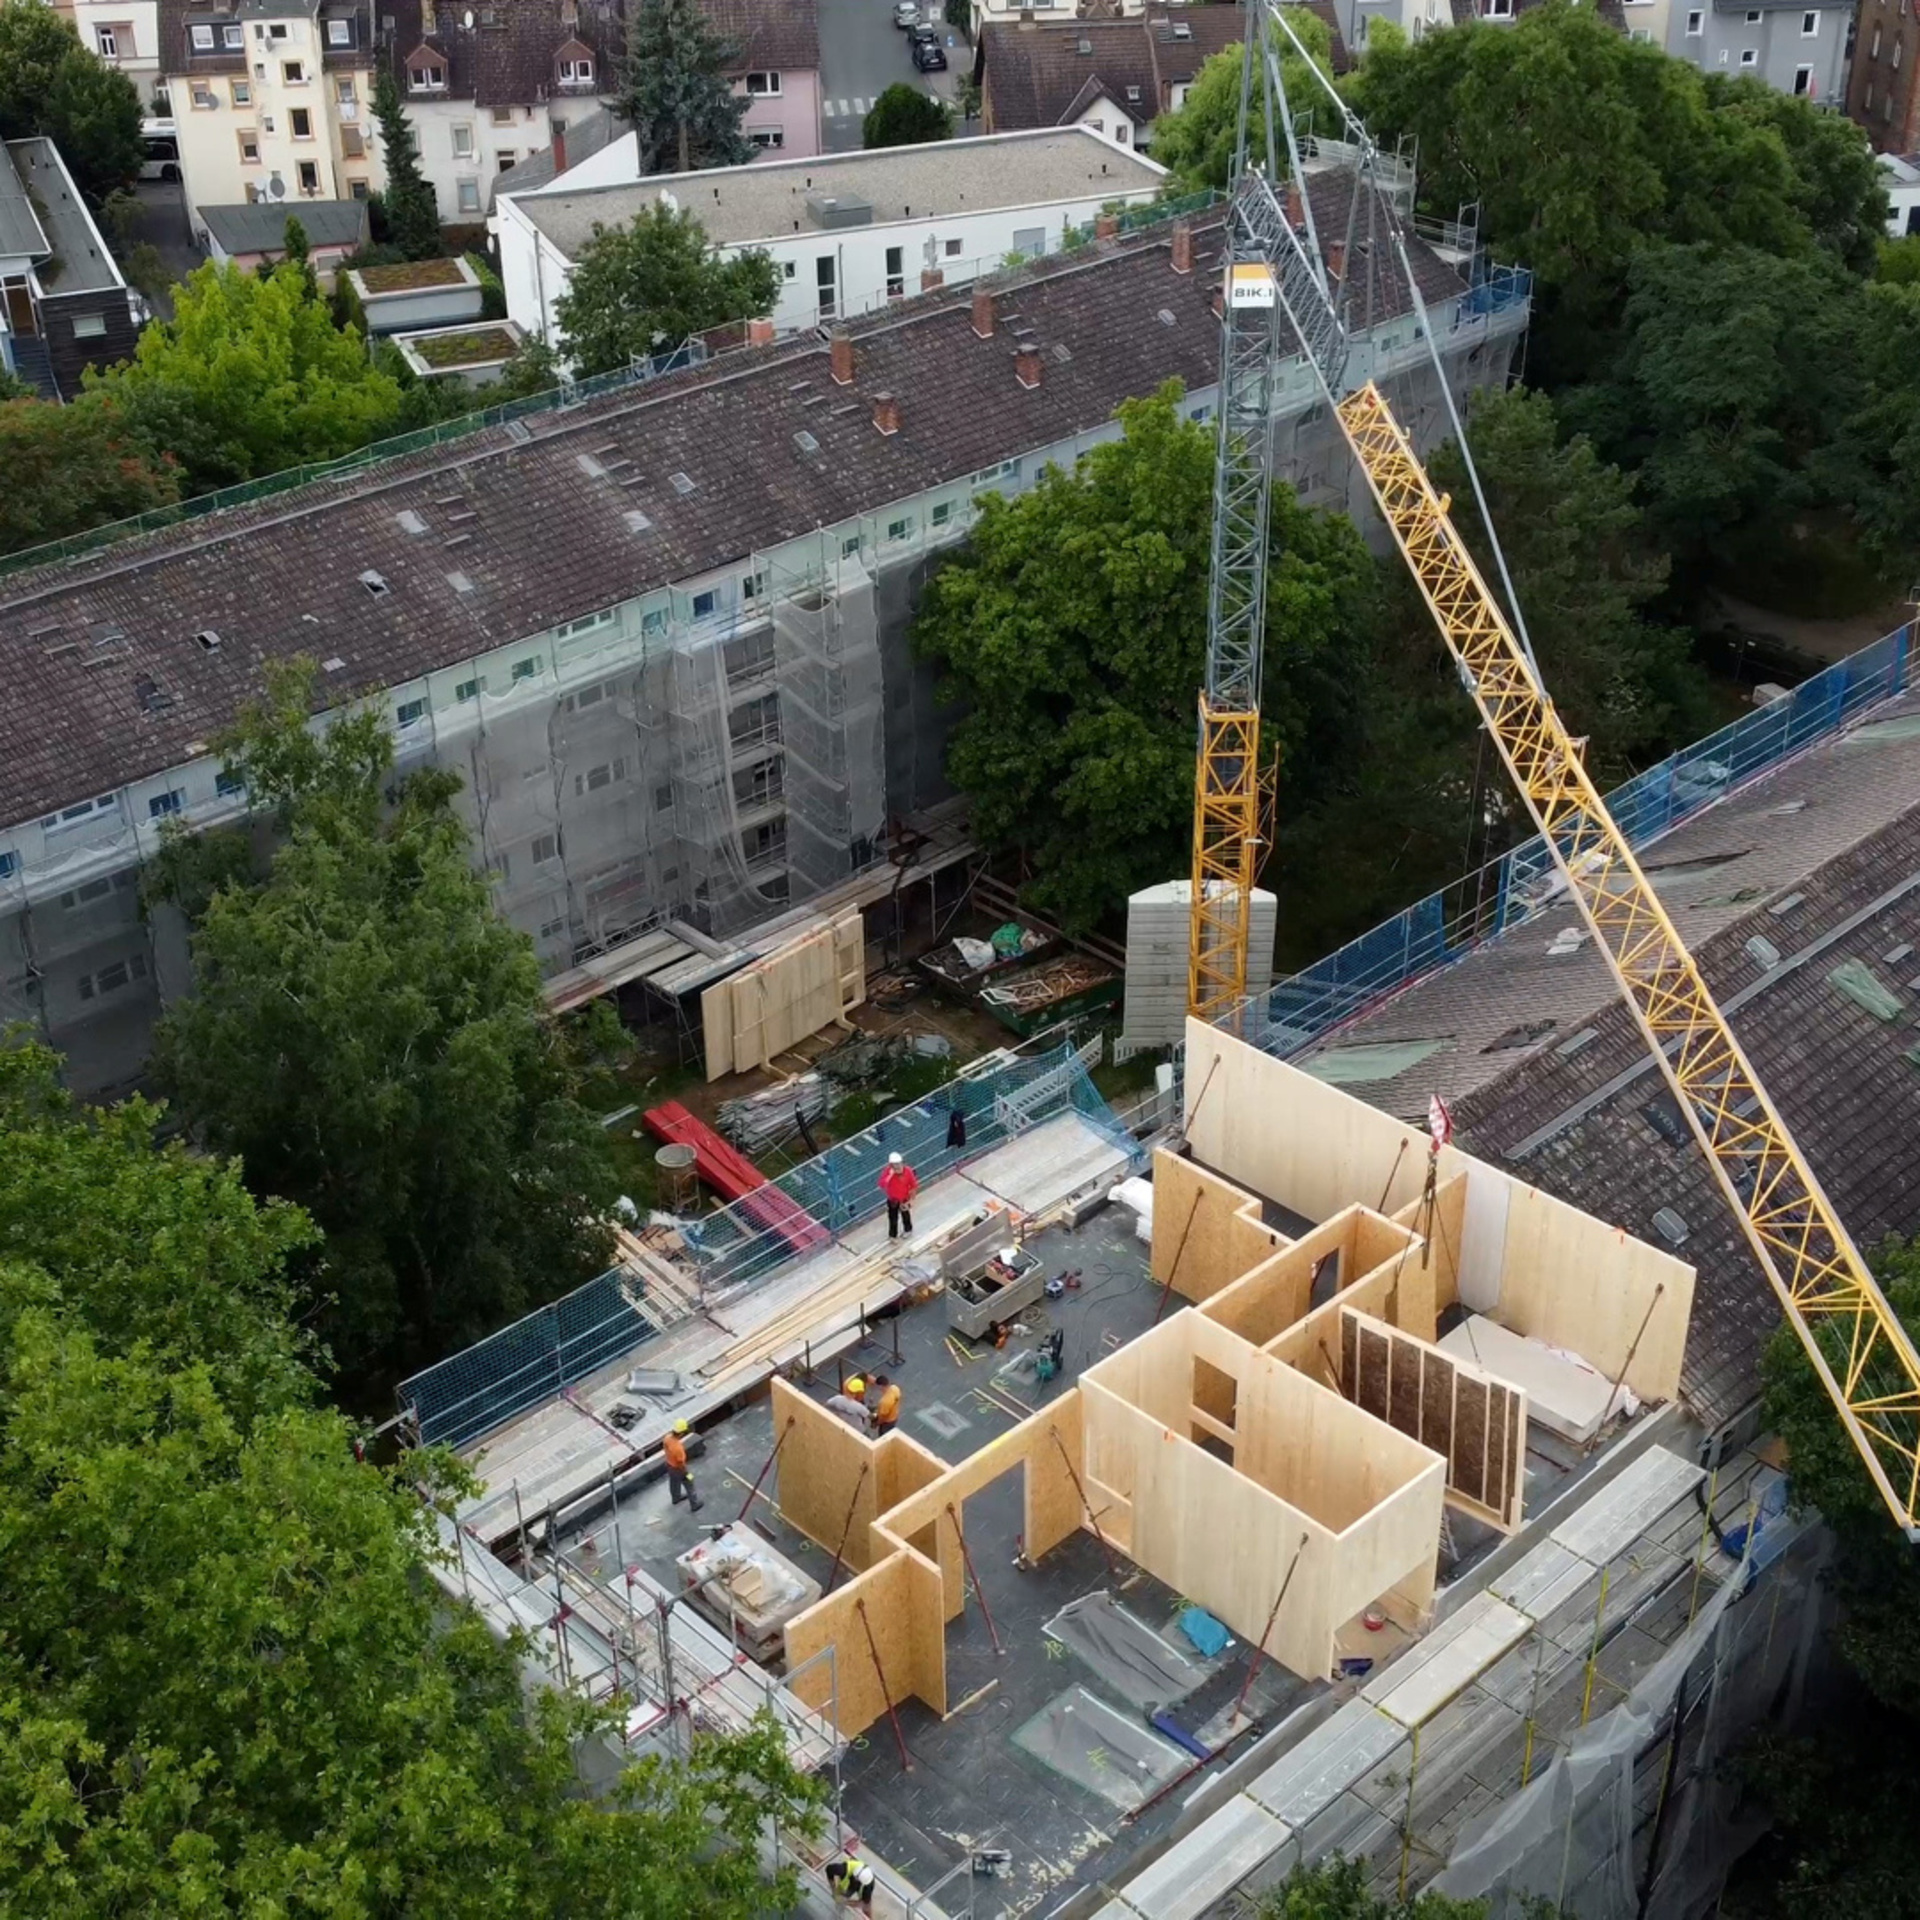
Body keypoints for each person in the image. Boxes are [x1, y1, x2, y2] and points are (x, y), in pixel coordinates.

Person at [662, 1418, 702, 1512]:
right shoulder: (678, 1448)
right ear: (682, 1432)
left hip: (669, 1465)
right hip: (678, 1469)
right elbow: (680, 1463)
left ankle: (676, 1498)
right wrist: (686, 1473)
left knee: (674, 1483)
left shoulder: (667, 1438)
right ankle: (694, 1504)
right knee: (689, 1484)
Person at [878, 1151, 918, 1240]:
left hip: (904, 1198)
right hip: (893, 1199)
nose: (898, 1167)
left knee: (906, 1215)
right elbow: (881, 1184)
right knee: (893, 1218)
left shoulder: (908, 1171)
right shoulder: (888, 1172)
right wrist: (890, 1176)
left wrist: (911, 1200)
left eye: (899, 1164)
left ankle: (908, 1230)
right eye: (895, 1165)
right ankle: (893, 1235)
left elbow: (913, 1185)